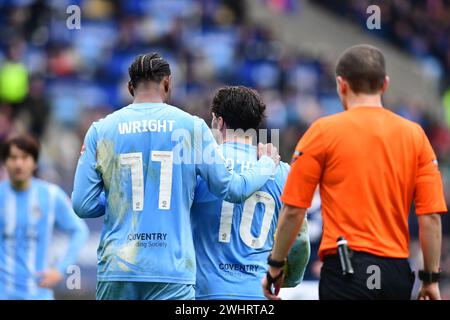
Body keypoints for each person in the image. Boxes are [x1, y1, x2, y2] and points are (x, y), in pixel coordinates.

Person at [72, 52, 280, 300]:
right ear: (168, 83)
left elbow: (82, 205)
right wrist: (266, 163)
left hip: (117, 267)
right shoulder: (191, 127)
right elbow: (232, 189)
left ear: (130, 86)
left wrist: (120, 196)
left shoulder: (100, 129)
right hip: (171, 270)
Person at [262, 44, 447, 300]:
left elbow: (294, 209)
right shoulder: (416, 136)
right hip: (395, 273)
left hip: (347, 271)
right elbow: (431, 217)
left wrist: (276, 265)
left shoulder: (323, 132)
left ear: (341, 84)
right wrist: (430, 279)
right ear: (385, 85)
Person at [191, 86, 310, 300]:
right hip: (258, 291)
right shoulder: (283, 172)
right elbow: (299, 239)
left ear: (218, 121)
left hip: (205, 292)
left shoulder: (200, 165)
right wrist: (288, 279)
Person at [0, 134, 89, 300]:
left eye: (25, 157)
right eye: (13, 158)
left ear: (34, 162)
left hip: (37, 292)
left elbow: (80, 231)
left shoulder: (50, 195)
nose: (18, 163)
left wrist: (60, 269)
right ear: (5, 162)